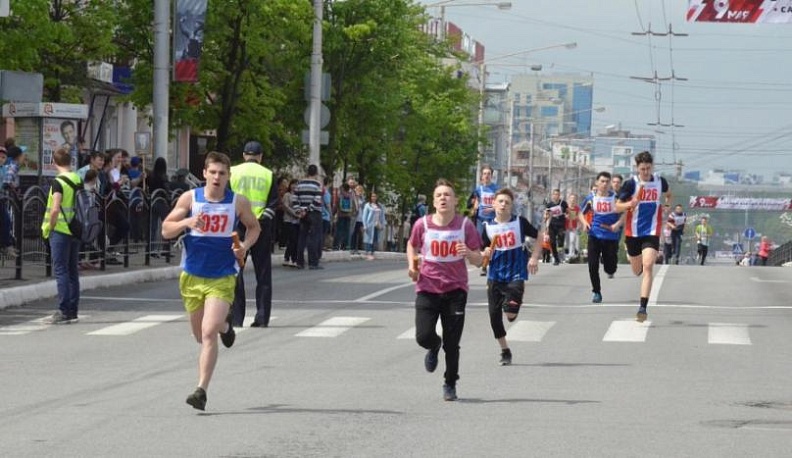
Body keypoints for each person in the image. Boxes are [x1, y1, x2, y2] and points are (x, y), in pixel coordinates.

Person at [162, 151, 260, 411]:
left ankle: (201, 390)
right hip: (193, 274)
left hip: (223, 274)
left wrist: (244, 247)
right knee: (199, 335)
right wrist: (187, 221)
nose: (217, 177)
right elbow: (166, 229)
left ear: (228, 176)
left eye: (222, 173)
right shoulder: (190, 199)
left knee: (208, 331)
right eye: (213, 172)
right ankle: (226, 327)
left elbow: (254, 227)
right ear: (204, 173)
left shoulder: (237, 202)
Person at [407, 179, 483, 401]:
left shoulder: (465, 226)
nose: (443, 198)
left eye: (447, 195)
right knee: (423, 336)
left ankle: (450, 383)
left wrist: (469, 253)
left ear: (455, 201)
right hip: (427, 287)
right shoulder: (422, 224)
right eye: (439, 195)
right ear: (433, 201)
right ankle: (434, 345)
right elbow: (412, 244)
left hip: (455, 290)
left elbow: (479, 260)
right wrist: (412, 265)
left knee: (452, 343)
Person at [480, 188, 542, 365]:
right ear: (494, 204)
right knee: (494, 316)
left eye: (507, 202)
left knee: (510, 313)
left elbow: (539, 236)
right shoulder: (487, 227)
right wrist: (484, 252)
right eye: (500, 201)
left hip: (516, 272)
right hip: (495, 274)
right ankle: (505, 350)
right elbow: (481, 250)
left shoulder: (519, 222)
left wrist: (534, 257)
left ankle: (513, 305)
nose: (503, 205)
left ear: (511, 206)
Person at [615, 151, 672, 322]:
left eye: (648, 168)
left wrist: (667, 205)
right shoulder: (631, 184)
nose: (646, 172)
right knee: (636, 270)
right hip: (633, 232)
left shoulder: (660, 181)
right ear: (637, 168)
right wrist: (629, 203)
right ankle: (631, 254)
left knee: (648, 266)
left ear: (652, 167)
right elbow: (616, 206)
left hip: (652, 230)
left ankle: (642, 308)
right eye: (642, 169)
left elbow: (669, 194)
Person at [229, 141, 278, 328]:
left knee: (235, 271)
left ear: (244, 155)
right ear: (260, 157)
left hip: (237, 227)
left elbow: (227, 199)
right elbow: (273, 204)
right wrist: (260, 221)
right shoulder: (268, 174)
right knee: (263, 273)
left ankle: (236, 318)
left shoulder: (232, 172)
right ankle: (262, 317)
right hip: (260, 227)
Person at [42, 148, 83, 324]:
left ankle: (63, 310)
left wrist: (50, 226)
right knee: (73, 270)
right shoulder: (77, 179)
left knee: (61, 270)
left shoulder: (58, 182)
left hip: (60, 229)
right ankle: (73, 310)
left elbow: (55, 208)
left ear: (54, 163)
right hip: (76, 228)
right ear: (70, 161)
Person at [580, 172, 622, 303]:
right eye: (602, 181)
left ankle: (609, 265)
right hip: (594, 235)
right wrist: (584, 223)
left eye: (607, 182)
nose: (604, 184)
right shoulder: (591, 198)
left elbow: (626, 213)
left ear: (610, 184)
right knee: (592, 265)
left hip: (611, 236)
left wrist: (618, 224)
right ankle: (596, 292)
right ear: (597, 183)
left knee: (610, 268)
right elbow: (580, 212)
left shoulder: (616, 198)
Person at [294, 164, 324, 269]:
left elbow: (294, 198)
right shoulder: (317, 184)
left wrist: (299, 210)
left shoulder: (299, 184)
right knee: (313, 237)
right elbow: (317, 199)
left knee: (302, 237)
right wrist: (307, 210)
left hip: (302, 214)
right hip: (314, 213)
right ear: (316, 173)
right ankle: (313, 262)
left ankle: (299, 262)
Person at [471, 165, 498, 275]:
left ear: (491, 176)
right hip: (480, 219)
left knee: (491, 243)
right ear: (481, 176)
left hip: (492, 219)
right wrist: (475, 207)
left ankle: (487, 265)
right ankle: (483, 263)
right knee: (480, 242)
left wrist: (491, 208)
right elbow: (477, 200)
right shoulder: (479, 189)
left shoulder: (496, 189)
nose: (486, 176)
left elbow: (498, 204)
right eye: (485, 174)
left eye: (488, 174)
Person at [1, 146, 24, 258]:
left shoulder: (5, 167)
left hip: (3, 198)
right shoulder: (12, 166)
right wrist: (12, 186)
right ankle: (7, 245)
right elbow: (8, 180)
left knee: (6, 221)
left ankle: (7, 244)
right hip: (2, 198)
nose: (1, 159)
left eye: (3, 157)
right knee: (6, 221)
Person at [544, 188, 569, 265]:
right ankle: (556, 258)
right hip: (552, 225)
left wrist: (567, 215)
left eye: (557, 194)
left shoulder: (563, 203)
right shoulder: (549, 205)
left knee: (560, 241)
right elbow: (546, 214)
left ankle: (560, 254)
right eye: (554, 194)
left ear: (559, 195)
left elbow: (567, 212)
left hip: (561, 225)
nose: (556, 196)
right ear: (552, 195)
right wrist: (545, 217)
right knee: (552, 242)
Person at [281, 179, 301, 267]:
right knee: (292, 240)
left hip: (297, 221)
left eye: (296, 184)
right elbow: (286, 207)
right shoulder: (287, 195)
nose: (295, 186)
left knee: (295, 241)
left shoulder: (298, 196)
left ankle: (289, 258)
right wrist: (295, 213)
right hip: (289, 220)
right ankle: (292, 258)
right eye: (293, 184)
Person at [362, 191, 386, 260]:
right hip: (369, 225)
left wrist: (383, 224)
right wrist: (365, 225)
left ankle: (372, 252)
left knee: (374, 239)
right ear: (370, 197)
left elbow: (382, 216)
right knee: (368, 239)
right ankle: (368, 252)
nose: (374, 198)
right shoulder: (368, 205)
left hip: (377, 225)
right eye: (372, 196)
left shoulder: (380, 206)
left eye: (375, 196)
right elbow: (364, 216)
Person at [565, 193, 580, 262]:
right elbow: (562, 215)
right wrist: (566, 216)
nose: (572, 200)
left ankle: (571, 254)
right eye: (571, 198)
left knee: (572, 240)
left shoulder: (577, 208)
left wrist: (576, 218)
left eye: (574, 198)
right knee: (566, 242)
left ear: (575, 200)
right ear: (569, 199)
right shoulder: (566, 207)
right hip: (566, 227)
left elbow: (579, 217)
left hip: (573, 227)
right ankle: (566, 254)